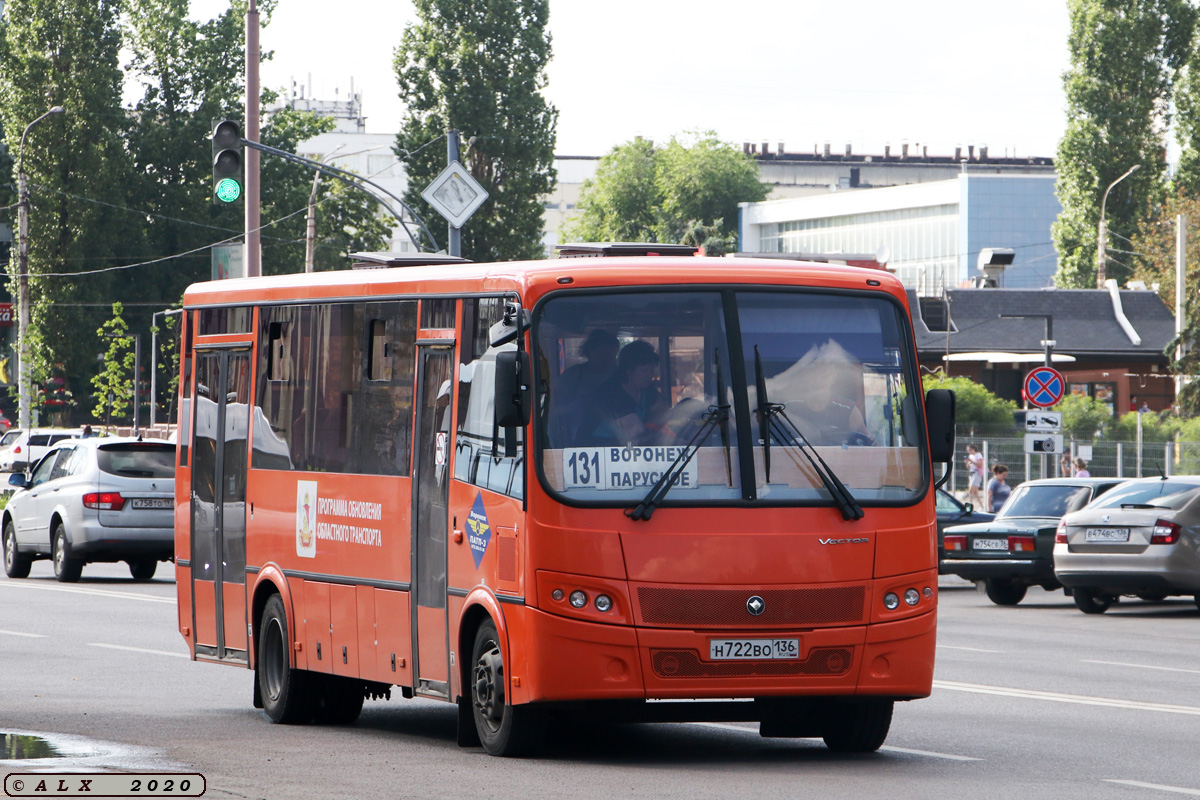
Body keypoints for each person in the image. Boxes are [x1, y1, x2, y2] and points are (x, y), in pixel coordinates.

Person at [577, 340, 669, 446]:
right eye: (645, 370)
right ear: (629, 370)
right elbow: (637, 434)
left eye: (652, 370)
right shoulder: (611, 393)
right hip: (598, 452)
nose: (650, 375)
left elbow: (664, 411)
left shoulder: (647, 389)